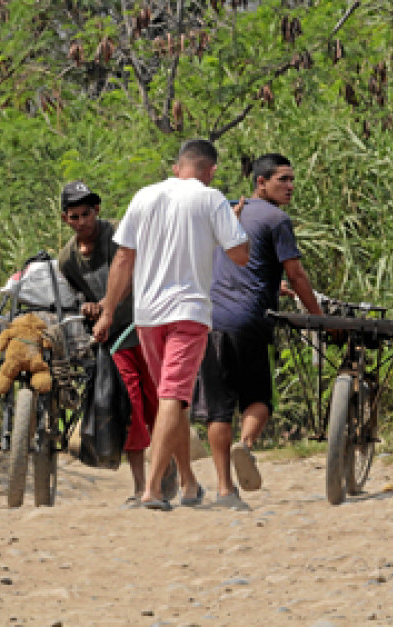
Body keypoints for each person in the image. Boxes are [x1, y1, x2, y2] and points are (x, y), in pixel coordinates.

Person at [93, 139, 250, 510]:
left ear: (178, 166)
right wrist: (232, 222)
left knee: (171, 399)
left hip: (147, 315)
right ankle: (151, 489)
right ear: (210, 170)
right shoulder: (211, 199)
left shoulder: (144, 196)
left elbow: (122, 261)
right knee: (173, 397)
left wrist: (108, 312)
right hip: (189, 312)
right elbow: (240, 256)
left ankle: (189, 482)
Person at [192, 152, 323, 507]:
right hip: (248, 320)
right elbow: (295, 273)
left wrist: (270, 284)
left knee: (218, 409)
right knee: (259, 399)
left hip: (209, 319)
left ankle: (224, 489)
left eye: (293, 179)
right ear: (260, 182)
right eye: (283, 179)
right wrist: (318, 316)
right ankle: (246, 445)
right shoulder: (277, 220)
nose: (291, 186)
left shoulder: (227, 211)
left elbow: (241, 263)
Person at [56, 181, 177, 505]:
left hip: (146, 326)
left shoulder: (119, 235)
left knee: (159, 404)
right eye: (75, 216)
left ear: (96, 210)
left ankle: (171, 471)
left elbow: (137, 273)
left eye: (87, 213)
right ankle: (141, 486)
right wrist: (89, 307)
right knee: (131, 408)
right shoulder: (67, 259)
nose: (82, 221)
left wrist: (107, 304)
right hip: (114, 339)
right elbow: (77, 296)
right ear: (66, 218)